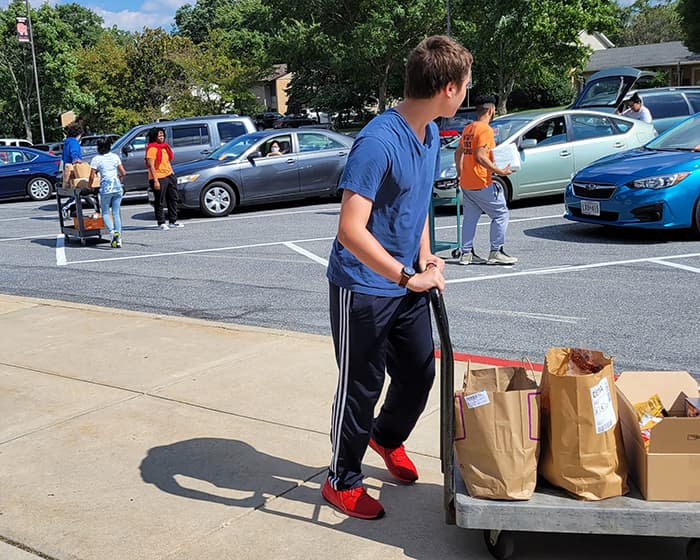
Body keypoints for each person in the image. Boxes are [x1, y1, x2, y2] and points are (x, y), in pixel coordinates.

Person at [323, 35, 471, 520]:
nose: (468, 92)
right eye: (466, 84)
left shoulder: (429, 134)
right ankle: (341, 480)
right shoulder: (378, 141)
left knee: (418, 373)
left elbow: (416, 206)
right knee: (360, 385)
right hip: (364, 286)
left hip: (407, 281)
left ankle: (386, 439)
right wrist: (407, 276)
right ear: (449, 88)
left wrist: (427, 258)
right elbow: (349, 230)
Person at [454, 94, 517, 265]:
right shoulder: (486, 130)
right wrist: (500, 171)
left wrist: (461, 173)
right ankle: (496, 251)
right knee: (501, 214)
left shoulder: (468, 128)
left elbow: (458, 152)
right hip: (481, 182)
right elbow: (480, 156)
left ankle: (466, 253)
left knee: (470, 218)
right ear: (491, 110)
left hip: (467, 183)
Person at [88, 137, 126, 248]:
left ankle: (112, 232)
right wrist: (119, 180)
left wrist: (90, 185)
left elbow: (91, 175)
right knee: (116, 213)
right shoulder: (115, 157)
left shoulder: (96, 159)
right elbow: (123, 172)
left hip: (106, 188)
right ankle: (118, 239)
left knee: (105, 212)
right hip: (117, 187)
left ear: (99, 148)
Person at [146, 127, 183, 230]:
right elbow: (151, 166)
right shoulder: (152, 149)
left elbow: (167, 162)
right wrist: (156, 180)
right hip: (158, 177)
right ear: (154, 137)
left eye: (162, 135)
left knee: (173, 198)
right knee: (160, 201)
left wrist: (172, 174)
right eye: (159, 135)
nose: (161, 137)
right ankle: (161, 222)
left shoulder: (164, 147)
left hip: (169, 175)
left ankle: (173, 221)